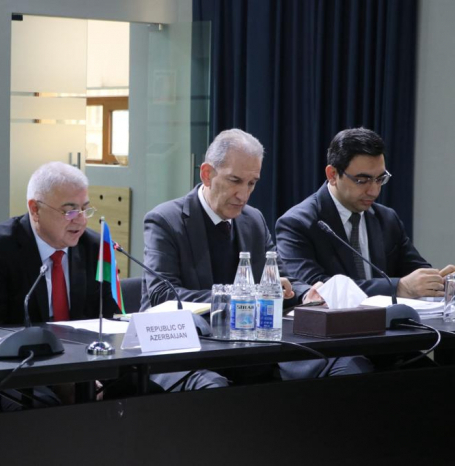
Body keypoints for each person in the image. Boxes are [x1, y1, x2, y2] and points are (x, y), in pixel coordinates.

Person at [0, 162, 226, 407]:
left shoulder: (95, 248)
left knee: (151, 393)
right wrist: (61, 376)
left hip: (85, 366)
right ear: (34, 208)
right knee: (51, 408)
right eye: (69, 210)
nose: (80, 219)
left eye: (85, 208)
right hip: (21, 372)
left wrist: (86, 372)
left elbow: (106, 321)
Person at [142, 128, 370, 380]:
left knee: (349, 366)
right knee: (215, 387)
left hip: (249, 347)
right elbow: (162, 295)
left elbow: (280, 278)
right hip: (188, 349)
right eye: (235, 181)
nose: (244, 194)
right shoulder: (166, 220)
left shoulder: (253, 219)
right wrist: (244, 297)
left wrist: (306, 293)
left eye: (252, 183)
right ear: (207, 174)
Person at [276, 127, 455, 298]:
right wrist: (397, 287)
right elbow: (317, 289)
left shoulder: (387, 219)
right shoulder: (297, 223)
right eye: (362, 180)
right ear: (332, 175)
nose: (374, 191)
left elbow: (414, 272)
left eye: (380, 179)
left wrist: (442, 282)